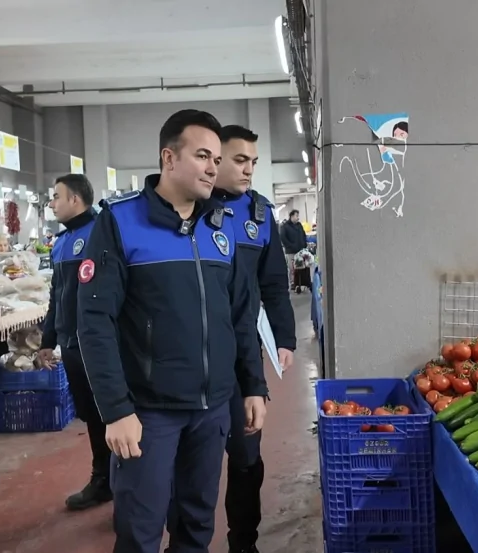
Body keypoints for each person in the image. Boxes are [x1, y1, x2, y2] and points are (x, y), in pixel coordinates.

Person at [76, 109, 268, 553]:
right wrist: (115, 410)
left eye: (216, 159)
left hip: (213, 407)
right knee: (140, 531)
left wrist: (252, 386)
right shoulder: (120, 222)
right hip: (148, 412)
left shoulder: (222, 226)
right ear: (168, 157)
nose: (212, 168)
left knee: (197, 526)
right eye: (203, 155)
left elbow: (240, 314)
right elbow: (94, 321)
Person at [210, 125, 297, 553]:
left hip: (243, 357)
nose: (248, 170)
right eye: (240, 160)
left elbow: (275, 285)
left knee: (246, 457)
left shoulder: (260, 214)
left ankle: (243, 541)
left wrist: (284, 339)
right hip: (193, 355)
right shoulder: (190, 210)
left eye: (253, 162)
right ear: (214, 159)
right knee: (193, 462)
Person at [36, 174, 112, 511]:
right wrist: (47, 340)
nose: (52, 203)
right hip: (71, 345)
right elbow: (57, 296)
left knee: (112, 413)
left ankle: (125, 483)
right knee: (91, 416)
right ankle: (103, 479)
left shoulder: (101, 233)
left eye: (56, 196)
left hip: (98, 344)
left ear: (76, 199)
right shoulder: (62, 242)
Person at [279, 210, 307, 291]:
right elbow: (283, 238)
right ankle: (292, 283)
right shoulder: (285, 226)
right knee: (292, 268)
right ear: (291, 216)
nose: (298, 218)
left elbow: (303, 235)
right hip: (291, 251)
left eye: (298, 216)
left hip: (300, 251)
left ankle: (299, 283)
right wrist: (290, 246)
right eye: (296, 216)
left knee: (300, 267)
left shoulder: (299, 225)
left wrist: (304, 245)